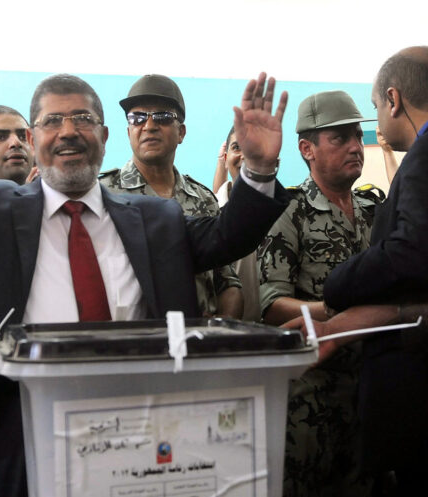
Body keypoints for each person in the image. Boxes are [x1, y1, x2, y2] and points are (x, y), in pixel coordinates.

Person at [0, 23, 289, 497]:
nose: (69, 131)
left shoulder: (156, 218)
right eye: (52, 121)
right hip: (11, 436)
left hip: (139, 431)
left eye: (83, 119)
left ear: (105, 135)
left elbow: (229, 236)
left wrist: (259, 168)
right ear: (32, 137)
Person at [257, 90, 382, 496]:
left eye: (357, 136)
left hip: (372, 392)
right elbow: (272, 304)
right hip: (311, 398)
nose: (355, 146)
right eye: (339, 138)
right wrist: (337, 312)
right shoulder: (288, 211)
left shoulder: (374, 211)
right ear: (307, 149)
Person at [323, 46, 428, 494]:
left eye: (374, 109)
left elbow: (410, 252)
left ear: (393, 99)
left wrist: (337, 284)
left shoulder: (423, 155)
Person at [100, 74, 243, 318]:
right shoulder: (104, 195)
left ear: (181, 133)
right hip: (132, 336)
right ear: (128, 131)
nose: (149, 126)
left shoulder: (203, 198)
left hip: (201, 336)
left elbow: (227, 283)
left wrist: (220, 328)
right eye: (137, 118)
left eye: (163, 117)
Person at [211, 126, 261, 321]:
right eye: (237, 147)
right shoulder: (209, 213)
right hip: (229, 332)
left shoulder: (287, 211)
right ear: (226, 158)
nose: (245, 156)